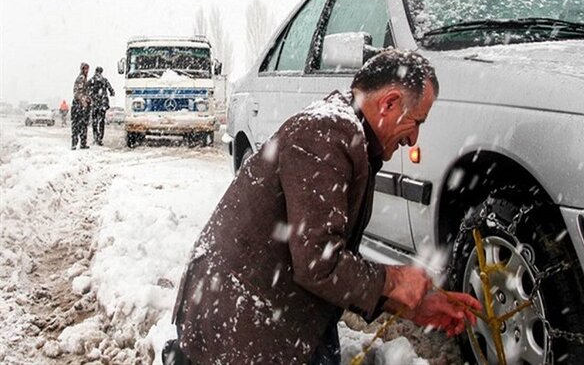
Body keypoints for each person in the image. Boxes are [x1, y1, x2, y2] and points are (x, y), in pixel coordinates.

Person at [168, 49, 481, 365]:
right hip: (242, 321)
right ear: (389, 103)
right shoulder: (326, 135)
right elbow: (319, 262)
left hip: (273, 310)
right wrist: (394, 281)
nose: (414, 139)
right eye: (416, 122)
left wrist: (408, 303)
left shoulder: (347, 135)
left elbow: (325, 258)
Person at [88, 66, 115, 146]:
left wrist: (90, 95)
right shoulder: (104, 80)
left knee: (94, 121)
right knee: (101, 121)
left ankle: (96, 137)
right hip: (102, 103)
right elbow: (111, 89)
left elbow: (86, 88)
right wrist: (111, 93)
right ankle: (100, 138)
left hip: (95, 103)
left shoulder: (92, 80)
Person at [71, 63, 91, 150]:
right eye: (85, 69)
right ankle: (75, 143)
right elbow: (78, 93)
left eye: (87, 69)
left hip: (81, 105)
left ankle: (82, 143)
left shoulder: (83, 78)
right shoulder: (81, 78)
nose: (87, 71)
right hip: (79, 105)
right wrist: (84, 101)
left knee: (82, 125)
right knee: (78, 125)